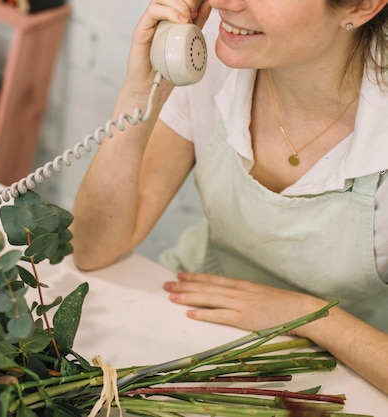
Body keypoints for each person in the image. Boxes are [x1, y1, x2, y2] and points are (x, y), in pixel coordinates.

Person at [70, 0, 388, 394]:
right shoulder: (217, 61)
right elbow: (91, 249)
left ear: (361, 5)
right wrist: (139, 92)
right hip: (192, 322)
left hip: (342, 373)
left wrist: (309, 315)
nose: (222, 2)